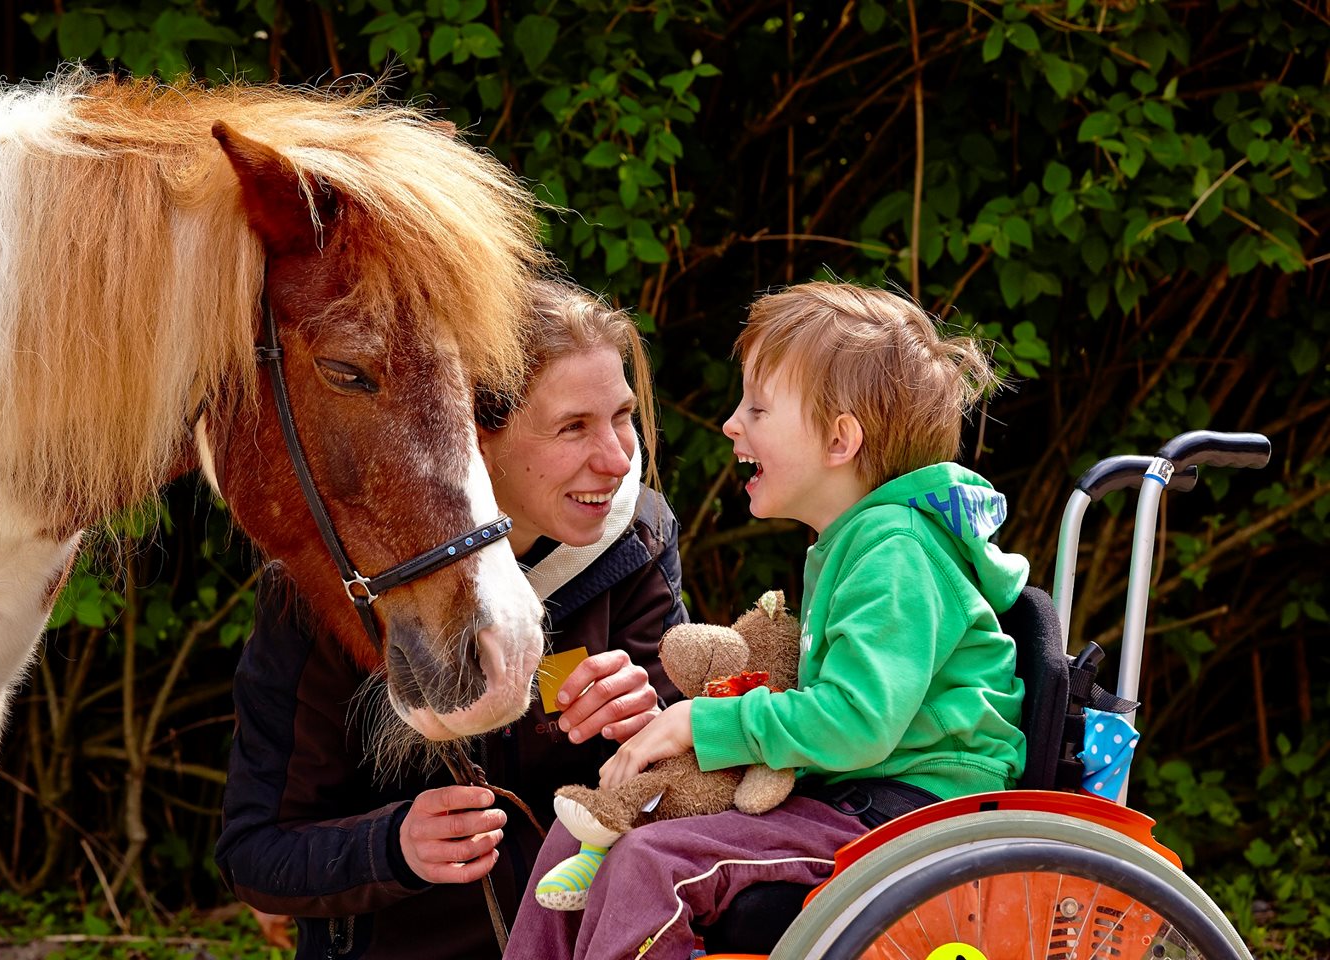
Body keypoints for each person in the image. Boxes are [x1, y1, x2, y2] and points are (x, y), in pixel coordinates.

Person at [504, 281, 1029, 960]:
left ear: (840, 439)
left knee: (651, 864)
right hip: (853, 801)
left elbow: (857, 722)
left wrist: (705, 720)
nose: (731, 424)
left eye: (757, 406)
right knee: (580, 834)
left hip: (911, 819)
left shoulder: (896, 552)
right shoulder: (859, 542)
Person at [214, 279, 689, 960]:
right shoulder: (329, 587)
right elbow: (255, 854)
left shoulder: (637, 538)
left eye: (621, 416)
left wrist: (654, 721)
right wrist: (391, 847)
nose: (617, 459)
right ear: (475, 433)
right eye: (573, 427)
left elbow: (695, 793)